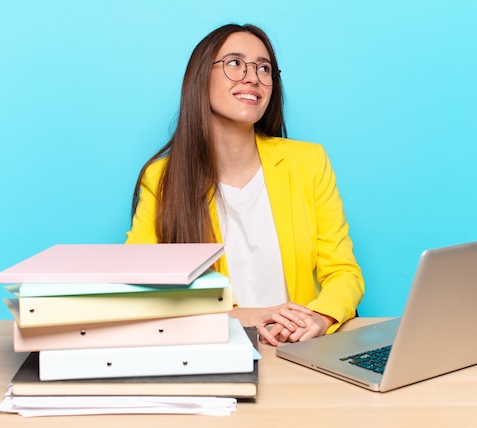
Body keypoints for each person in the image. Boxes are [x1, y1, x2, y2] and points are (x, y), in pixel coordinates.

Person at [126, 23, 364, 346]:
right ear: (200, 78)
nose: (253, 77)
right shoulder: (162, 179)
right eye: (235, 63)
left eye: (264, 68)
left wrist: (319, 318)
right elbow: (139, 289)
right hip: (213, 354)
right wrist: (248, 315)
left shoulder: (309, 163)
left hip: (298, 352)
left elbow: (344, 273)